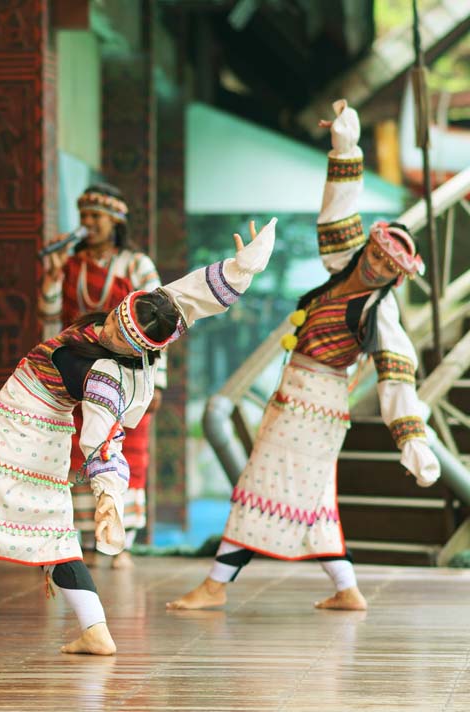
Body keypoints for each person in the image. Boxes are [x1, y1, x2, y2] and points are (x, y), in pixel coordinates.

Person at [0, 218, 277, 658]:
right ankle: (96, 631)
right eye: (114, 321)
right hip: (38, 435)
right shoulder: (155, 314)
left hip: (17, 437)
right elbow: (189, 296)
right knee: (55, 541)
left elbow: (102, 440)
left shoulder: (104, 378)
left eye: (119, 337)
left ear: (139, 350)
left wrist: (109, 497)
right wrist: (241, 269)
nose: (109, 332)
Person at [167, 100, 440, 613]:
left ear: (398, 276)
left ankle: (216, 585)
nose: (378, 265)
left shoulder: (379, 313)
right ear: (370, 249)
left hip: (316, 403)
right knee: (312, 502)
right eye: (378, 254)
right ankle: (348, 589)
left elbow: (396, 376)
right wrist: (346, 149)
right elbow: (338, 213)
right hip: (297, 395)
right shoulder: (344, 266)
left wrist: (411, 435)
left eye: (389, 265)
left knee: (259, 484)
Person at [39, 184, 164, 567]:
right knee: (81, 448)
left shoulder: (135, 264)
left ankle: (119, 542)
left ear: (116, 221)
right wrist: (52, 276)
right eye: (85, 217)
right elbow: (49, 316)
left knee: (123, 448)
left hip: (127, 367)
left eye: (96, 217)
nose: (89, 224)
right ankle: (89, 541)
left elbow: (160, 320)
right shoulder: (70, 265)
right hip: (81, 366)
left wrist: (157, 381)